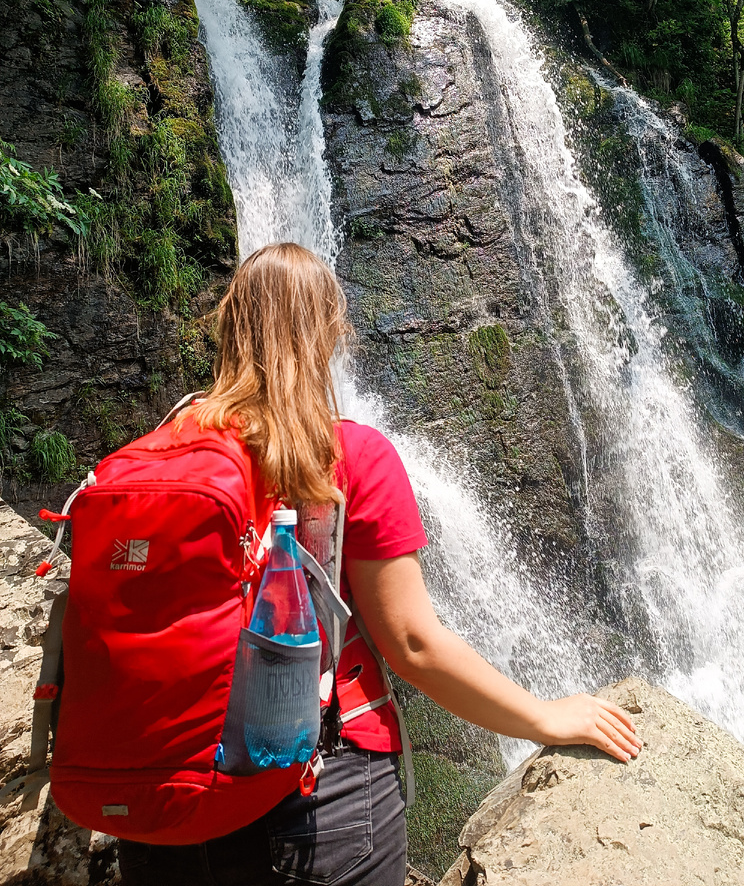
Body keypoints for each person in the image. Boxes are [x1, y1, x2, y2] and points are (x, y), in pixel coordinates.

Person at [116, 242, 641, 886]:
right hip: (318, 802)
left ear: (229, 328)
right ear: (328, 334)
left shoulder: (155, 456)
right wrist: (543, 717)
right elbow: (413, 644)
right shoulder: (348, 456)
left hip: (159, 799)